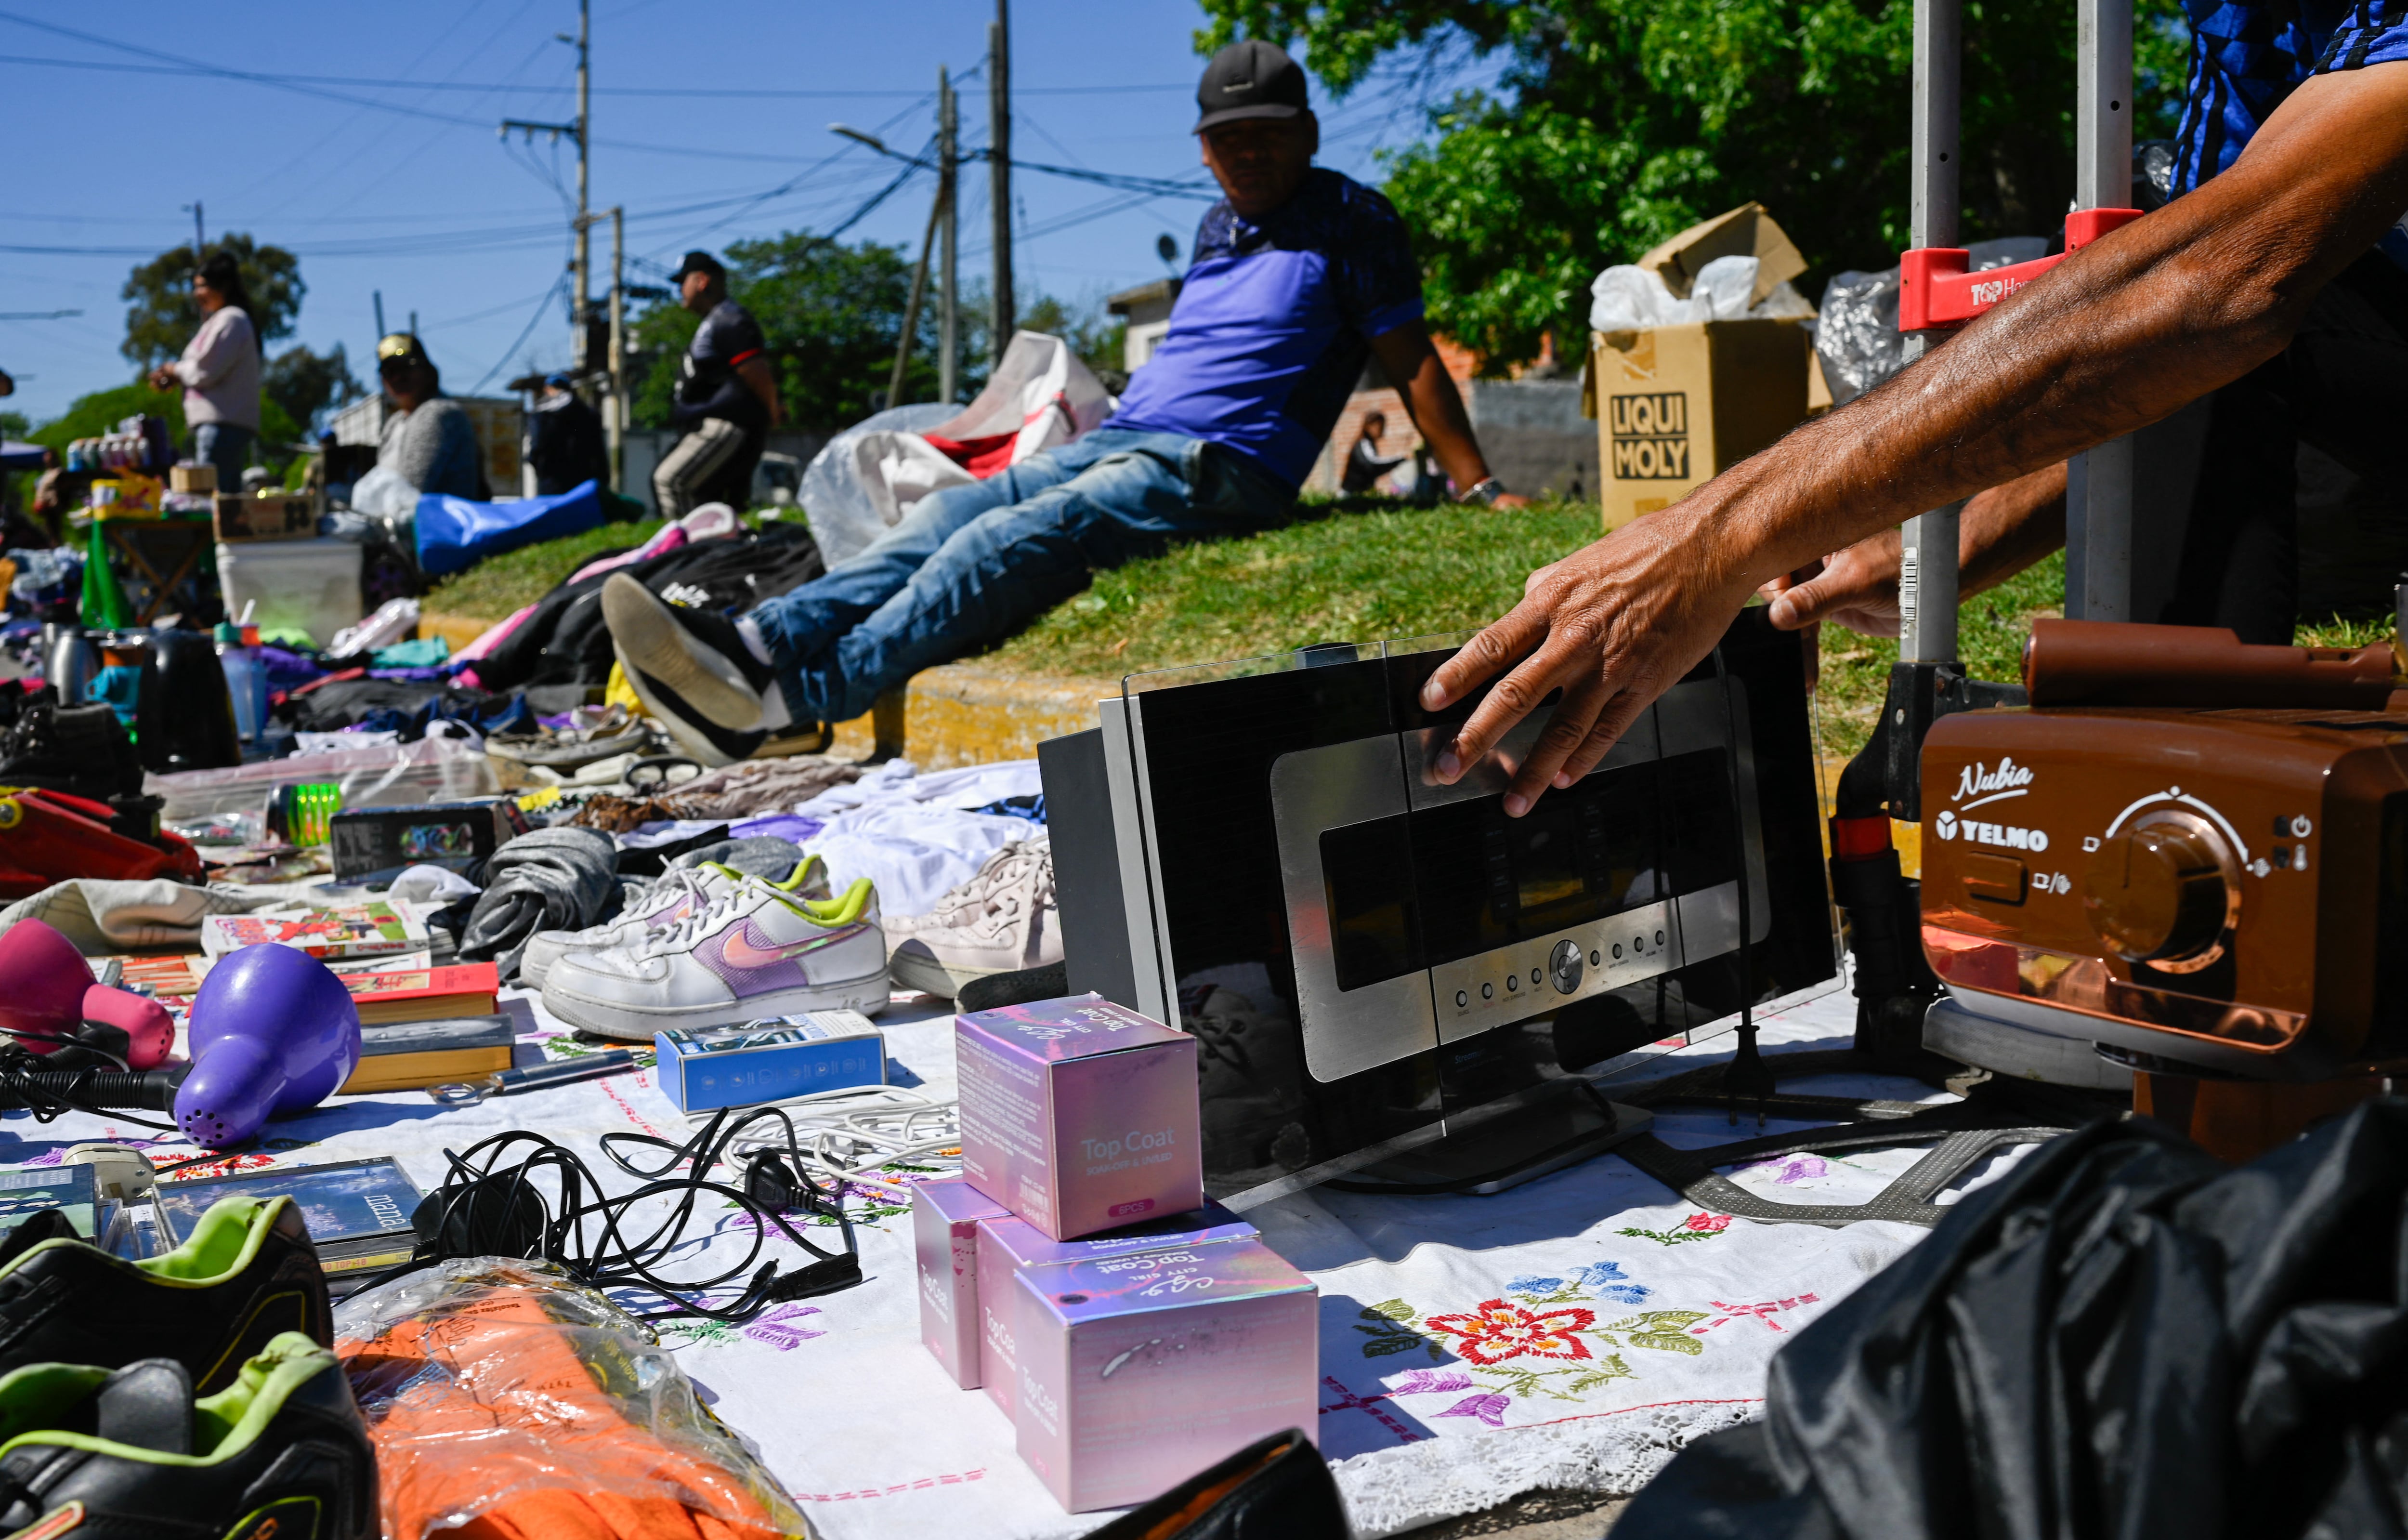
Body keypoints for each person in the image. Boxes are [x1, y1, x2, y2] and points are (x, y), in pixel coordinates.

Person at [1415, 16, 2408, 819]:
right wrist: (1952, 546)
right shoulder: (2246, 28)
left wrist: (1719, 533)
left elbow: (2223, 281)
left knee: (2172, 273)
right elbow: (2184, 332)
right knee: (2163, 255)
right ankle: (2181, 815)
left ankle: (2190, 823)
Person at [604, 40, 1527, 765]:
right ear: (1202, 150)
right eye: (1227, 137)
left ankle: (791, 701)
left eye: (1268, 132)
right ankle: (758, 643)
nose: (1247, 151)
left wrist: (1477, 487)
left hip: (1219, 467)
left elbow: (1413, 359)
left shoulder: (1356, 222)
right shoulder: (1219, 225)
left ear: (1311, 134)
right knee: (949, 512)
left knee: (1005, 541)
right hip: (1127, 434)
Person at [653, 252, 780, 519]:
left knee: (671, 482)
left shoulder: (730, 319)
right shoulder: (715, 320)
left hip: (723, 425)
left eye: (683, 282)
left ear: (701, 281)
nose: (679, 290)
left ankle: (688, 545)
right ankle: (713, 542)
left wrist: (772, 410)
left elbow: (756, 372)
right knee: (710, 498)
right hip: (710, 425)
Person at [147, 251, 262, 486]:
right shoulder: (222, 320)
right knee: (223, 496)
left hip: (222, 425)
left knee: (212, 495)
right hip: (219, 425)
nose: (197, 293)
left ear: (224, 286)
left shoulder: (232, 319)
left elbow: (206, 371)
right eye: (195, 287)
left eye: (202, 286)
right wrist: (177, 375)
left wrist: (174, 370)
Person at [371, 333, 484, 500]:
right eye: (390, 371)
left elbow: (410, 494)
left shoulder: (438, 413)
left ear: (427, 370)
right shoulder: (394, 423)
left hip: (436, 518)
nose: (398, 377)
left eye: (407, 367)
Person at [529, 373, 610, 498]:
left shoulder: (543, 413)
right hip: (583, 481)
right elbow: (598, 450)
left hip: (552, 480)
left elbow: (537, 446)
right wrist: (604, 479)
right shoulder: (587, 413)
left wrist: (539, 469)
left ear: (548, 389)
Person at [1341, 410, 1407, 495]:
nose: (1381, 429)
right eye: (1378, 426)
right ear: (1368, 426)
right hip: (1351, 494)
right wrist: (1399, 460)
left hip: (1360, 493)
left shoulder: (1370, 444)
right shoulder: (1364, 443)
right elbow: (1372, 465)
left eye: (1383, 426)